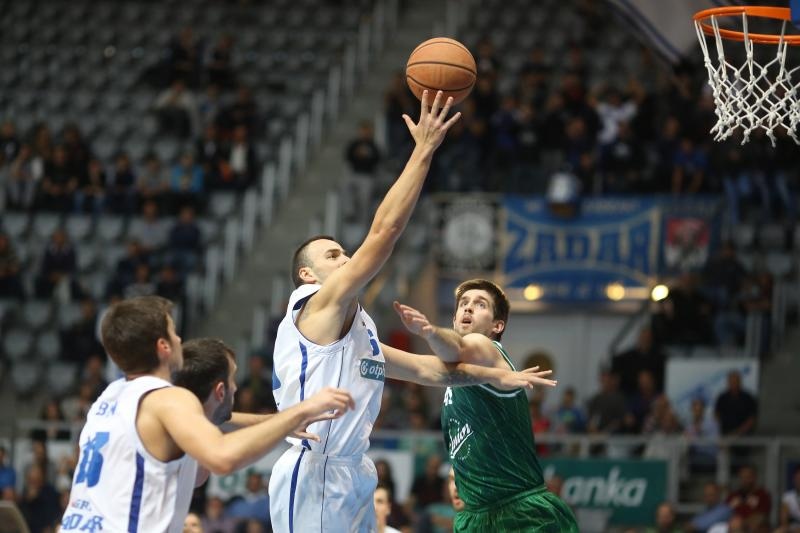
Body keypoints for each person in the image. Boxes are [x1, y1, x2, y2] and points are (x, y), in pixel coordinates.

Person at [269, 92, 555, 532]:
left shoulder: (355, 329)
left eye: (345, 252)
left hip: (355, 470)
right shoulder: (315, 304)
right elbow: (385, 232)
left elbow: (430, 371)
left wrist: (497, 377)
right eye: (333, 255)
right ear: (308, 275)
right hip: (316, 472)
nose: (346, 258)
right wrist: (423, 150)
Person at [61, 296, 354, 533]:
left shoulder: (109, 398)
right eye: (173, 333)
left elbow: (219, 422)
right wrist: (303, 408)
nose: (179, 340)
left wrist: (282, 422)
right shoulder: (168, 399)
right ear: (163, 347)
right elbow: (222, 456)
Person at [394, 279, 578, 531]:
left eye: (480, 304)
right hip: (475, 517)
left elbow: (457, 348)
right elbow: (417, 368)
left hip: (520, 514)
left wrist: (429, 331)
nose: (468, 307)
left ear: (497, 325)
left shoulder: (488, 348)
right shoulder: (455, 377)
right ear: (454, 319)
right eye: (463, 303)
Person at [777, 467, 800, 532]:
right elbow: (784, 521)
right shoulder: (787, 497)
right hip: (792, 528)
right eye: (798, 479)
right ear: (793, 480)